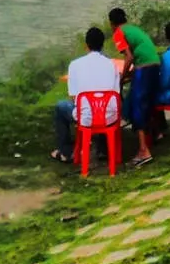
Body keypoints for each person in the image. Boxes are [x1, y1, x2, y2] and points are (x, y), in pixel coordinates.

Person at [51, 27, 120, 164]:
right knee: (103, 103)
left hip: (86, 118)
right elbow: (116, 94)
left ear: (86, 45)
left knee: (61, 106)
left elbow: (74, 97)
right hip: (110, 117)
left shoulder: (75, 65)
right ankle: (103, 148)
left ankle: (66, 152)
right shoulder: (112, 65)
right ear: (102, 45)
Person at [109, 7, 161, 168]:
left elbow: (129, 57)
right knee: (145, 99)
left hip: (143, 65)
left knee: (137, 105)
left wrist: (122, 77)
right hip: (154, 63)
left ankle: (143, 151)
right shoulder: (133, 29)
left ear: (112, 23)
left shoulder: (118, 32)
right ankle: (156, 132)